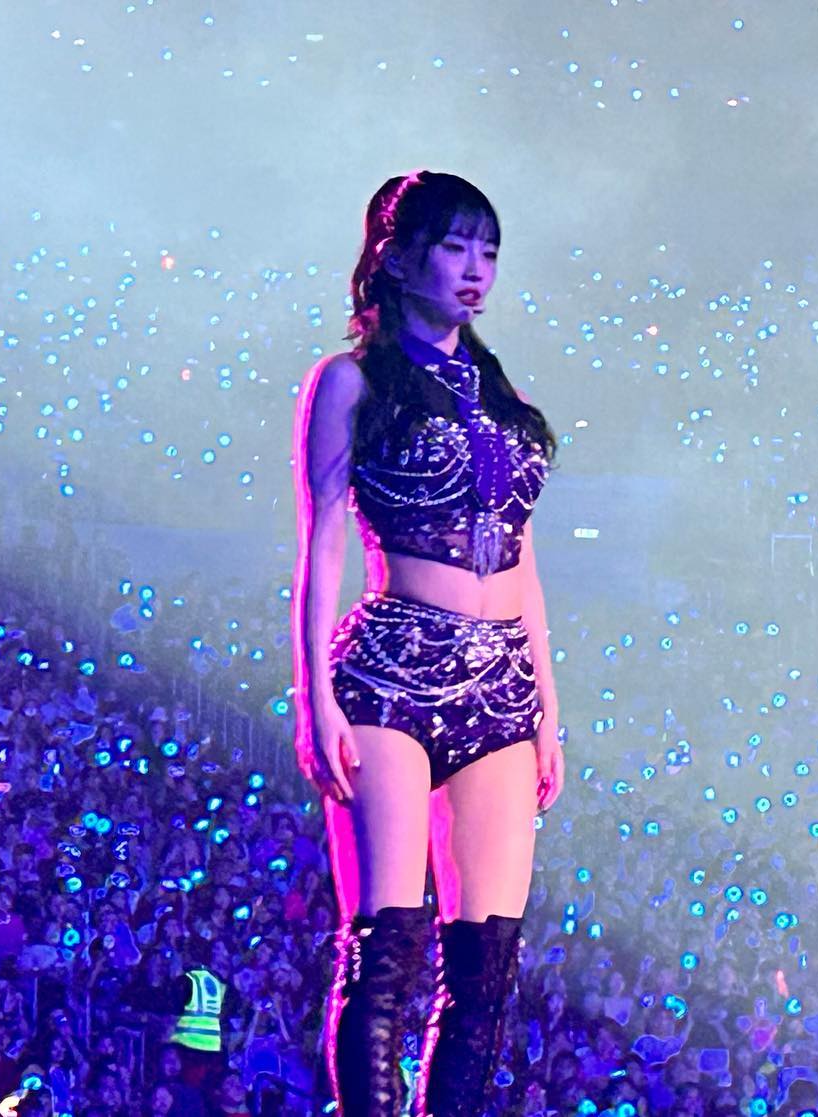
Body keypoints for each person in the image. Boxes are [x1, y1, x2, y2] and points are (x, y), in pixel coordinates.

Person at [292, 170, 563, 1116]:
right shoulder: (351, 381)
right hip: (390, 673)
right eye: (455, 247)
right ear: (399, 258)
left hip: (502, 685)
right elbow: (322, 543)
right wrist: (314, 696)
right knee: (389, 941)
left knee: (486, 961)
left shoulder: (501, 394)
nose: (476, 268)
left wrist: (549, 709)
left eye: (489, 250)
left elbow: (524, 558)